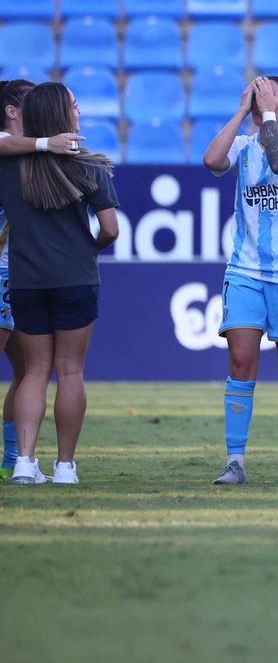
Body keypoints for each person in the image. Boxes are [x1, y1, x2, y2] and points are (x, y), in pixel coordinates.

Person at [200, 77, 278, 486]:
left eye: (271, 100)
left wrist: (268, 114)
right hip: (245, 271)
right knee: (240, 363)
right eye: (257, 101)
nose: (261, 106)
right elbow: (211, 161)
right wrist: (241, 112)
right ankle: (235, 461)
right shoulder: (242, 147)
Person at [0, 83, 119, 485]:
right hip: (75, 278)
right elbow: (110, 230)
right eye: (74, 106)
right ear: (61, 115)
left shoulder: (8, 164)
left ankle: (24, 462)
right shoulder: (90, 166)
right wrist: (90, 247)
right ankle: (65, 467)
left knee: (33, 372)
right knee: (70, 372)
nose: (79, 112)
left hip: (25, 279)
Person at [0, 80, 84, 480]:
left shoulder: (23, 157)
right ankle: (36, 462)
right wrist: (45, 143)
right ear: (12, 111)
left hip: (20, 273)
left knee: (25, 372)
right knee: (42, 370)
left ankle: (15, 460)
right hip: (10, 272)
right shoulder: (18, 152)